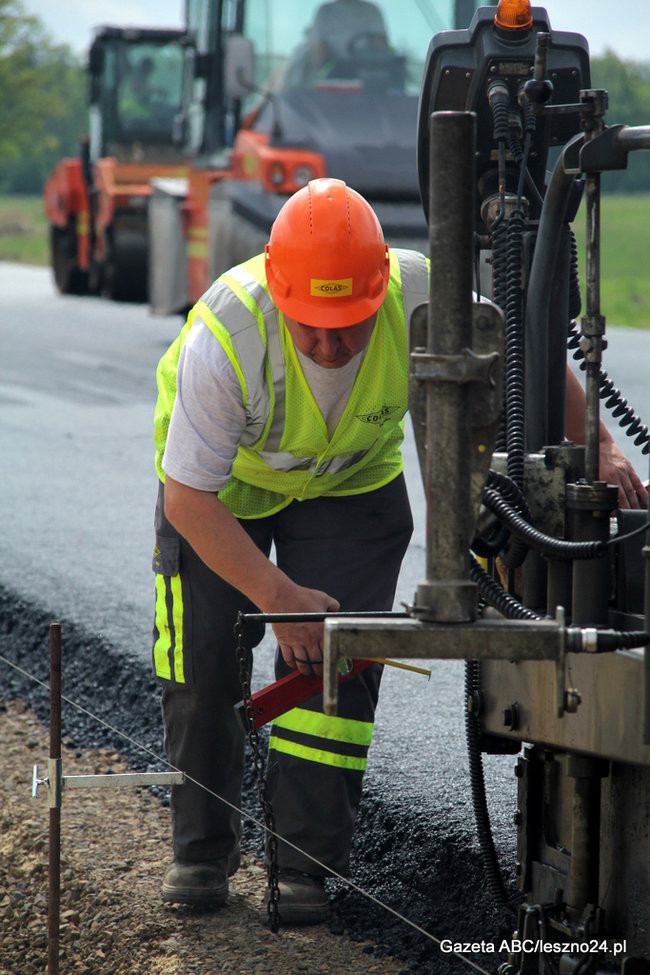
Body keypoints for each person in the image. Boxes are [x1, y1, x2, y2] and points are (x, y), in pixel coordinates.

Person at [151, 178, 646, 926]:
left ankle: (305, 864)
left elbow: (520, 356)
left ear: (379, 286)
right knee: (203, 663)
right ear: (279, 292)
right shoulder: (229, 333)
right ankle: (201, 850)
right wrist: (278, 596)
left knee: (337, 658)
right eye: (311, 325)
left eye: (346, 323)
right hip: (222, 495)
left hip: (351, 484)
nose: (329, 343)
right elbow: (188, 500)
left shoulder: (421, 293)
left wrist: (602, 444)